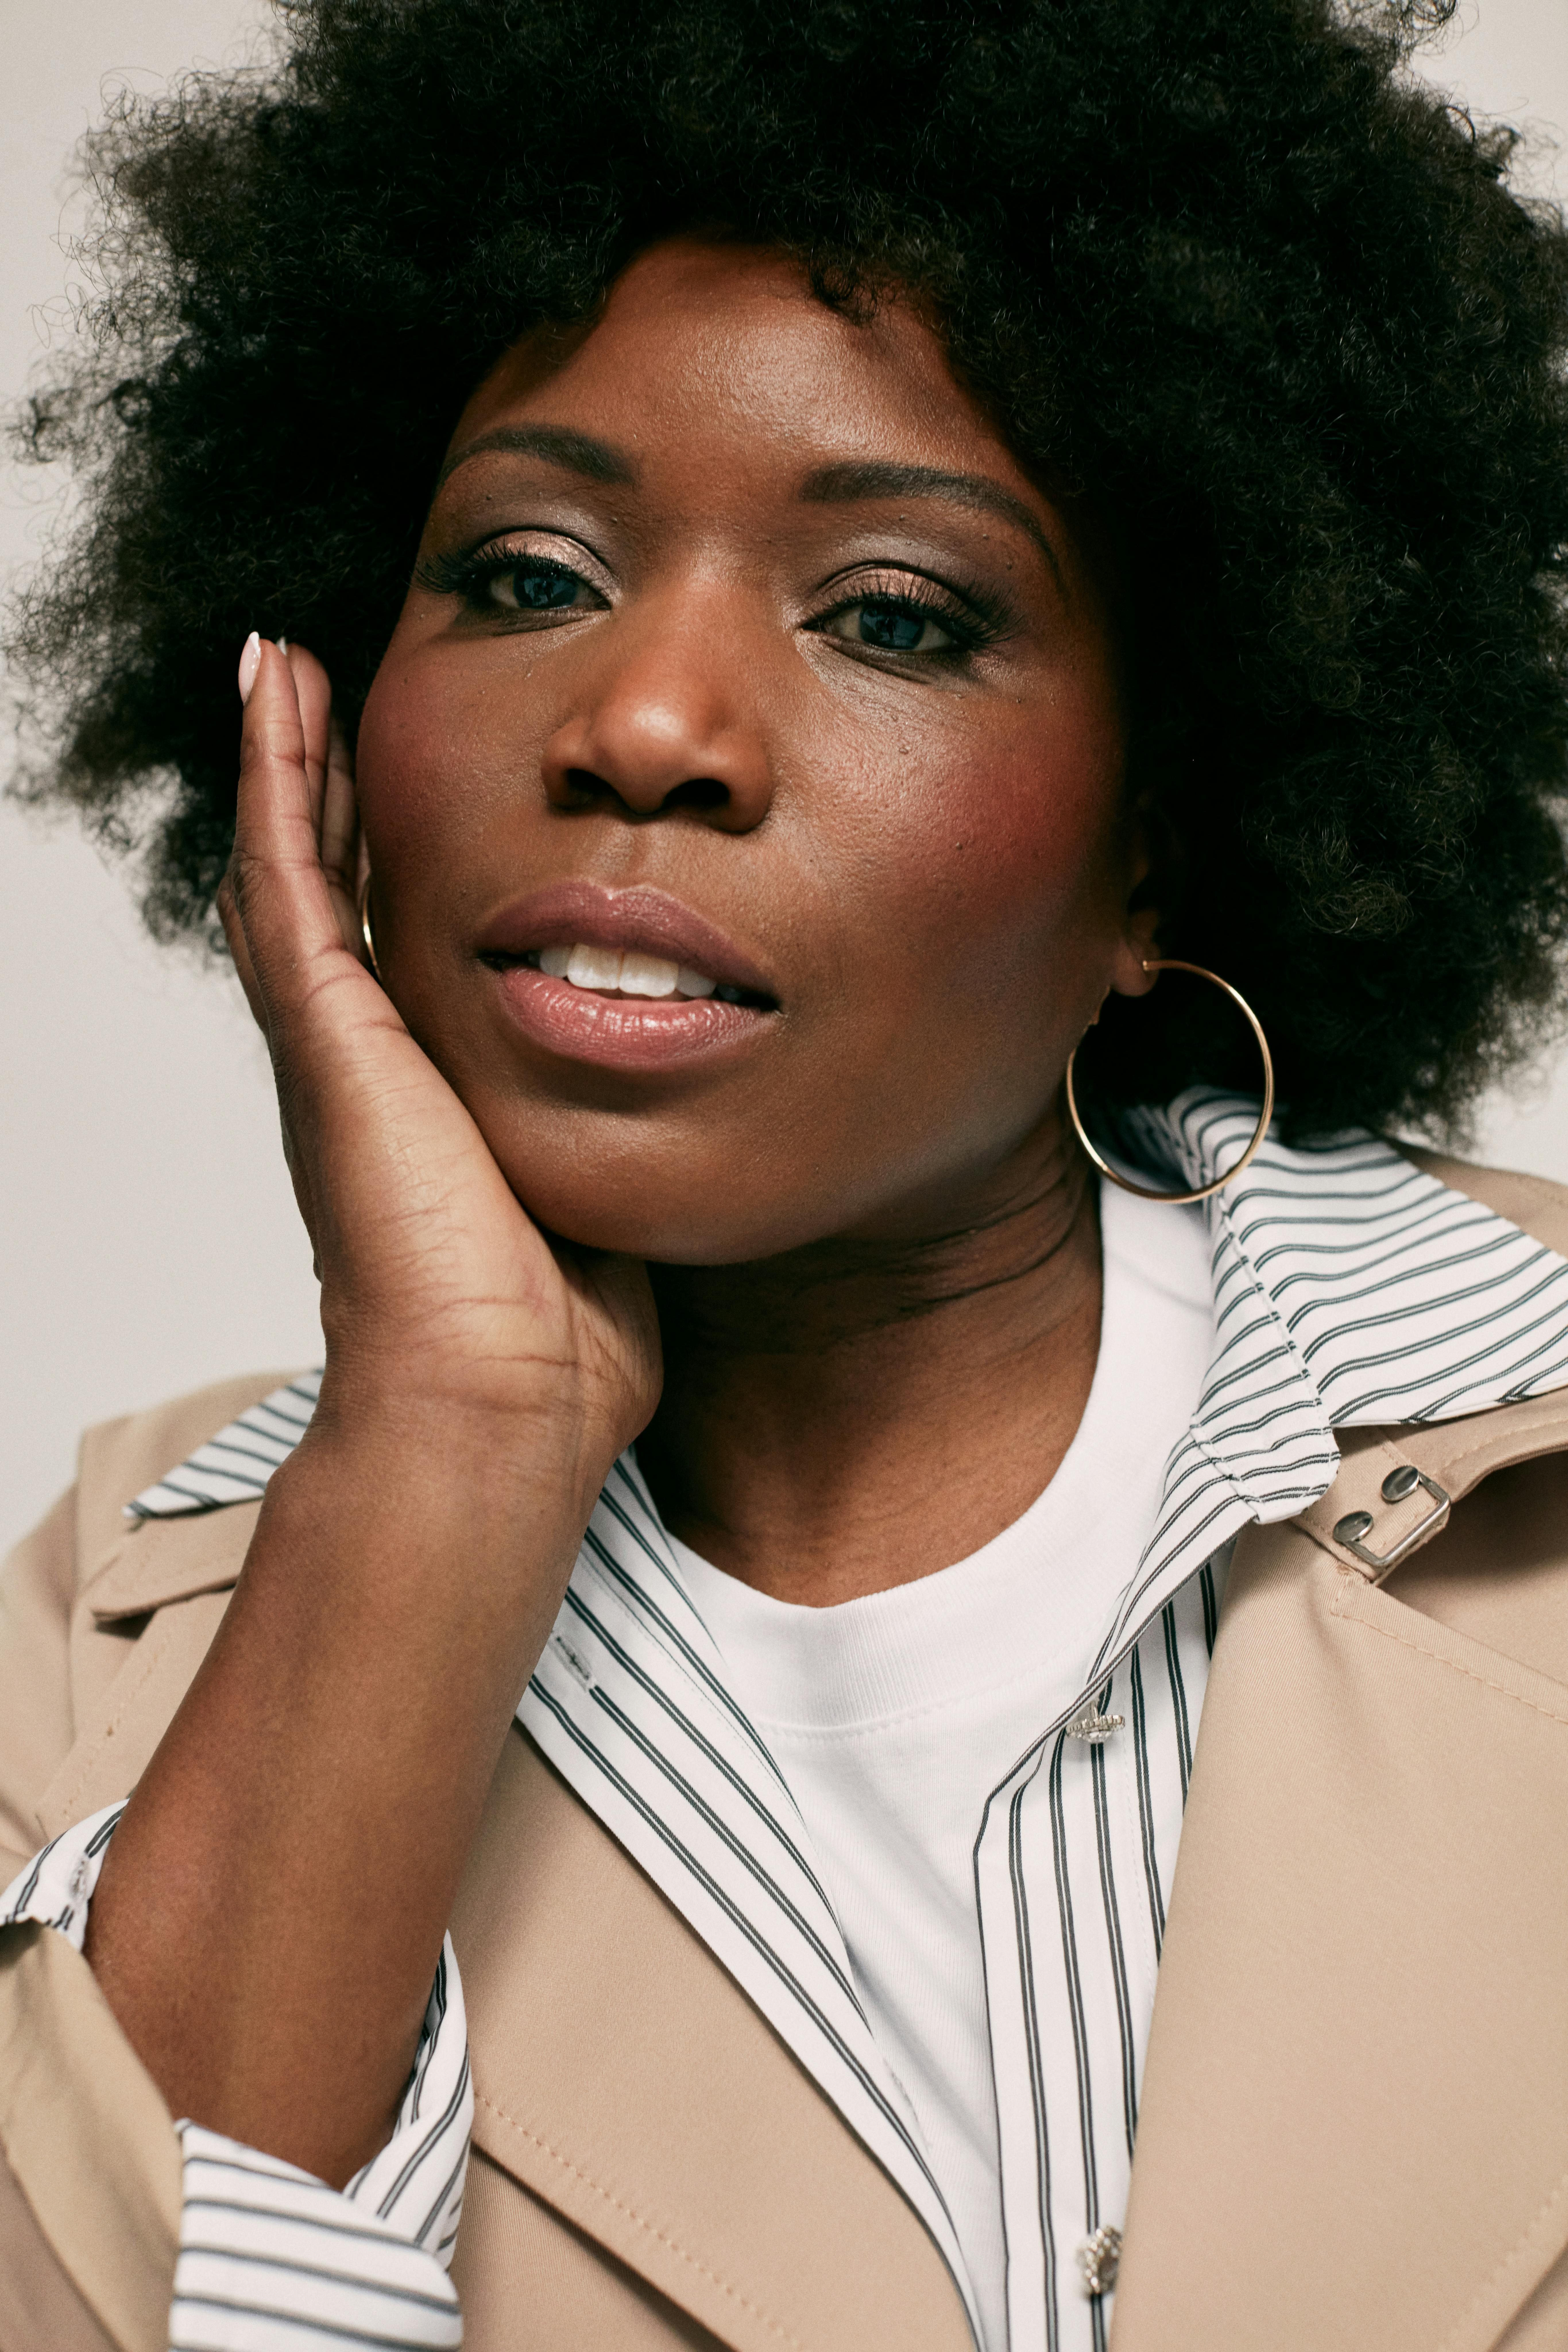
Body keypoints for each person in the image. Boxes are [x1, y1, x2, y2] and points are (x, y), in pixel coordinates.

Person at [3, 1, 1568, 2346]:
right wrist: (437, 1451)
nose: (641, 725)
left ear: (1167, 837)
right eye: (525, 573)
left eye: (896, 617)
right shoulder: (97, 1661)